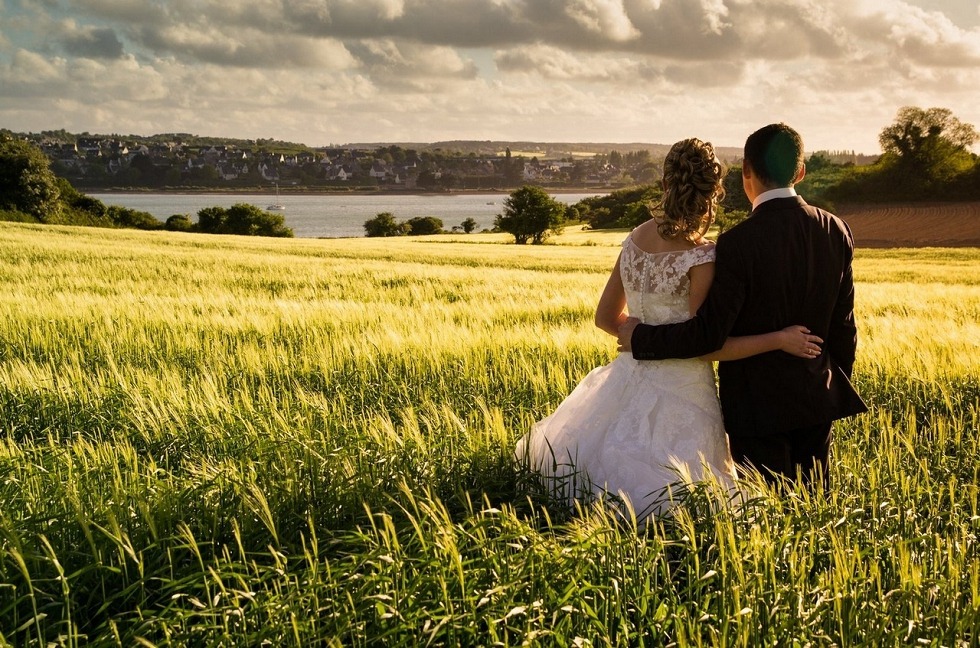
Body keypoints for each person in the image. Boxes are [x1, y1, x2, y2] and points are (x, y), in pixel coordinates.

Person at [515, 137, 823, 518]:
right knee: (691, 497)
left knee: (595, 470)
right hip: (685, 389)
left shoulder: (635, 238)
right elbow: (706, 345)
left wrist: (636, 336)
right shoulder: (701, 255)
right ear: (714, 191)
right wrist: (779, 339)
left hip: (626, 377)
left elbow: (605, 318)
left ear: (664, 184)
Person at [618, 123, 867, 490]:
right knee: (815, 513)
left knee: (762, 519)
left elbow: (709, 334)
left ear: (746, 173)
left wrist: (641, 338)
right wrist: (829, 385)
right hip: (818, 397)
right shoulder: (835, 229)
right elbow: (844, 326)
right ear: (800, 172)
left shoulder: (736, 244)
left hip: (755, 409)